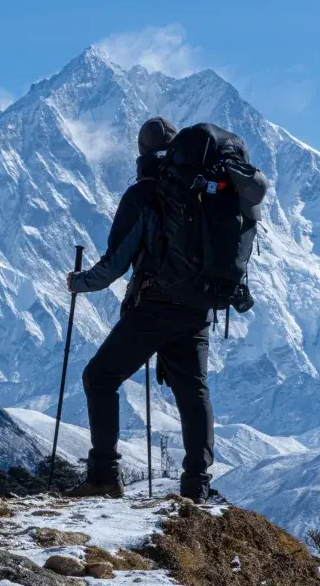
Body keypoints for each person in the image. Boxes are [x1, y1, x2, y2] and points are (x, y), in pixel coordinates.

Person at [64, 116, 216, 502]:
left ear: (142, 153)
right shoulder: (204, 193)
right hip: (197, 309)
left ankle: (103, 478)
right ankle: (196, 486)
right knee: (193, 392)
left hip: (153, 308)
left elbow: (115, 264)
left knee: (100, 377)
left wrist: (78, 283)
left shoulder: (144, 194)